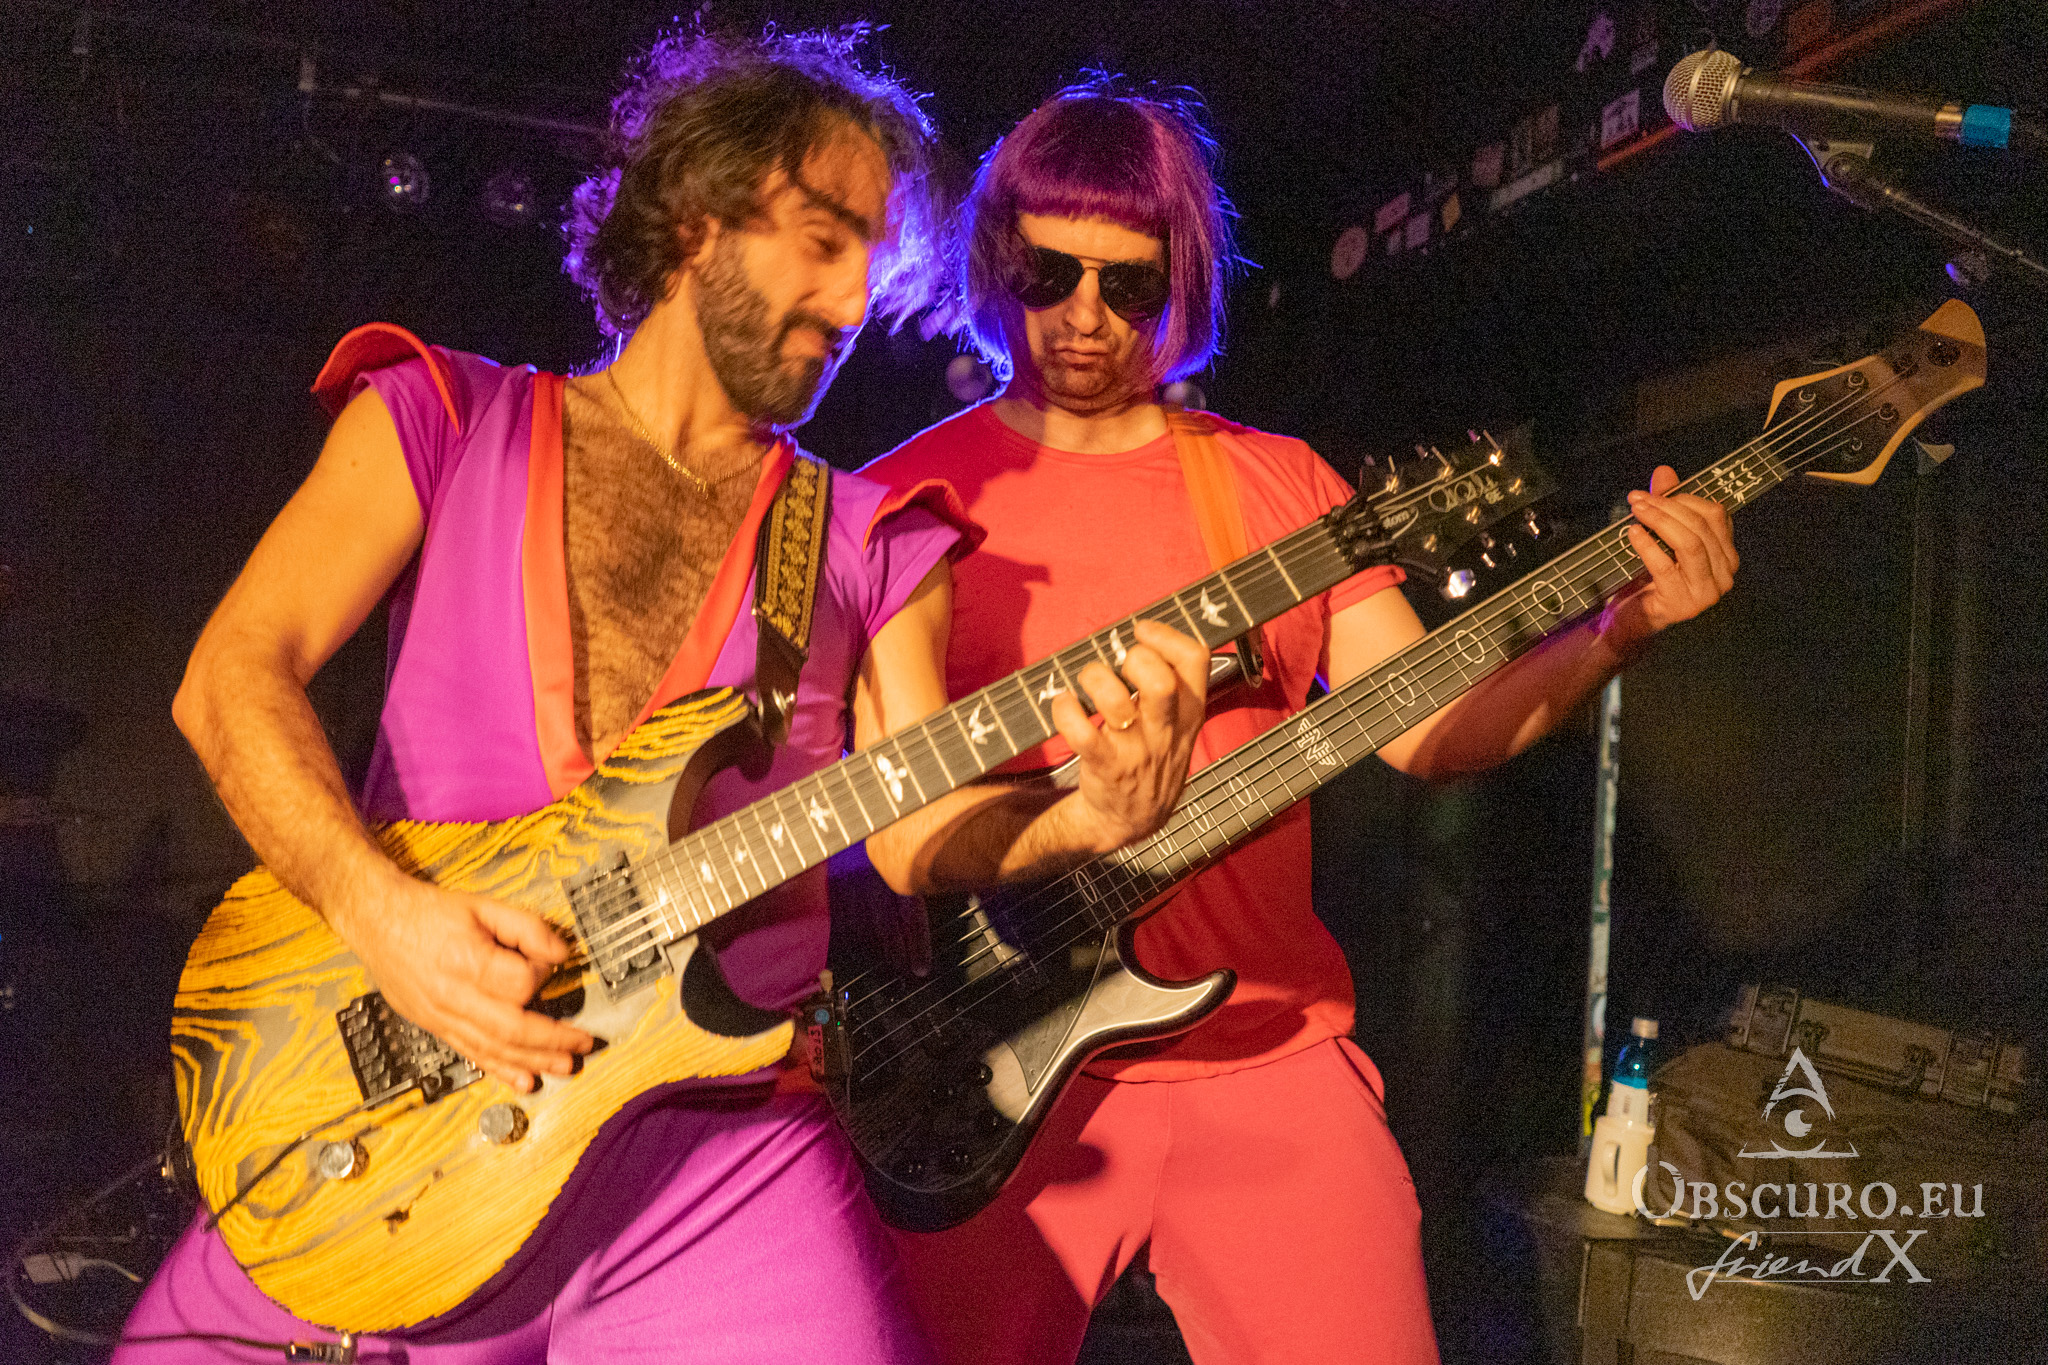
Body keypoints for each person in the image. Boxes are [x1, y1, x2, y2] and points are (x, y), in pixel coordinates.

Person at [117, 34, 1211, 1365]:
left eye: (873, 262)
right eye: (825, 240)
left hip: (714, 1145)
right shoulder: (441, 417)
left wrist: (1084, 816)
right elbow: (232, 675)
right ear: (698, 214)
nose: (853, 300)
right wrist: (382, 914)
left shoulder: (871, 540)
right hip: (396, 1090)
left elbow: (918, 831)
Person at [862, 80, 1740, 1365]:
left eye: (1129, 286)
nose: (1083, 317)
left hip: (1266, 1052)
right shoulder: (899, 501)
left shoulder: (1274, 483)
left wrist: (1616, 632)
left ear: (1183, 284)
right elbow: (872, 829)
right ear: (995, 256)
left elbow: (1428, 731)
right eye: (1047, 273)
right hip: (980, 1070)